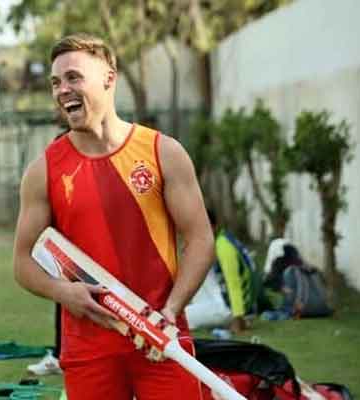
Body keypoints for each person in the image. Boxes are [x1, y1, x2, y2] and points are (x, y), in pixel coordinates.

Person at [12, 33, 214, 400]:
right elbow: (22, 262)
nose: (62, 90)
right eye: (55, 82)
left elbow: (200, 240)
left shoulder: (163, 153)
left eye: (73, 77)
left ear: (109, 78)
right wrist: (63, 292)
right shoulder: (43, 171)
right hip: (89, 350)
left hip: (162, 339)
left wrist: (171, 310)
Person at [185, 210, 262, 334]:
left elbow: (234, 283)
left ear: (211, 226)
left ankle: (233, 318)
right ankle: (200, 310)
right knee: (197, 264)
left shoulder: (224, 246)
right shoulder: (223, 238)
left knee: (181, 317)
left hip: (233, 309)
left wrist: (238, 319)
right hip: (233, 303)